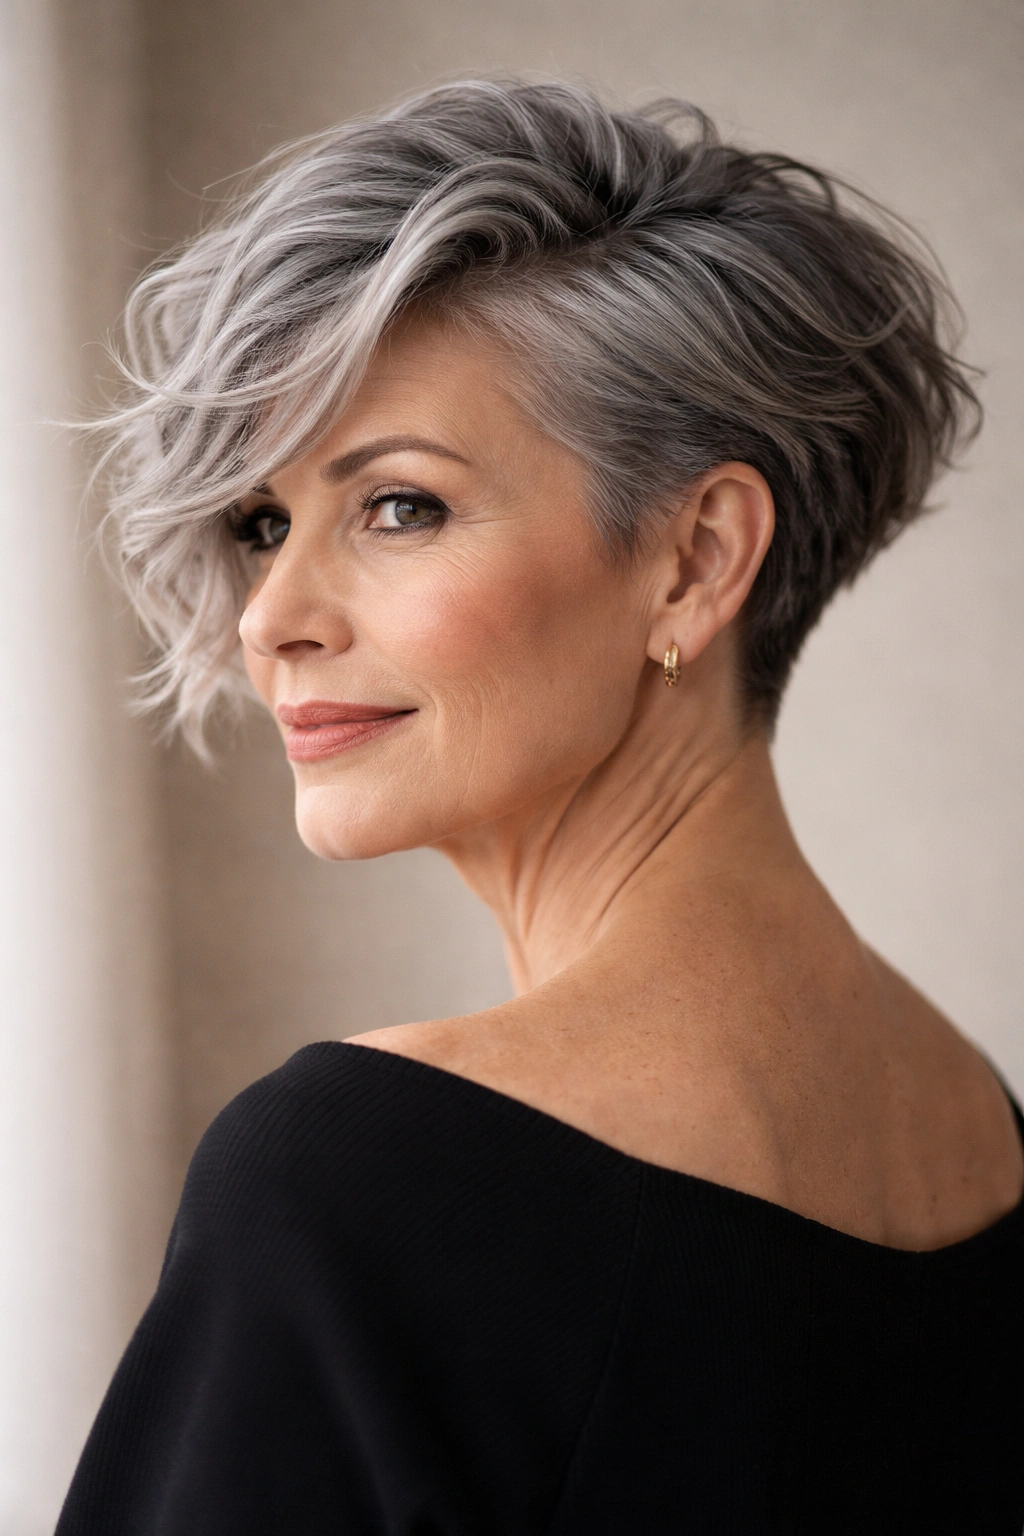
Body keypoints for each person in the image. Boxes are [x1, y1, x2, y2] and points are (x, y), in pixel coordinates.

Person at [57, 80, 1024, 1534]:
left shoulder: (358, 1179)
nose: (270, 615)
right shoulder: (977, 1125)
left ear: (697, 559)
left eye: (396, 506)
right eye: (265, 522)